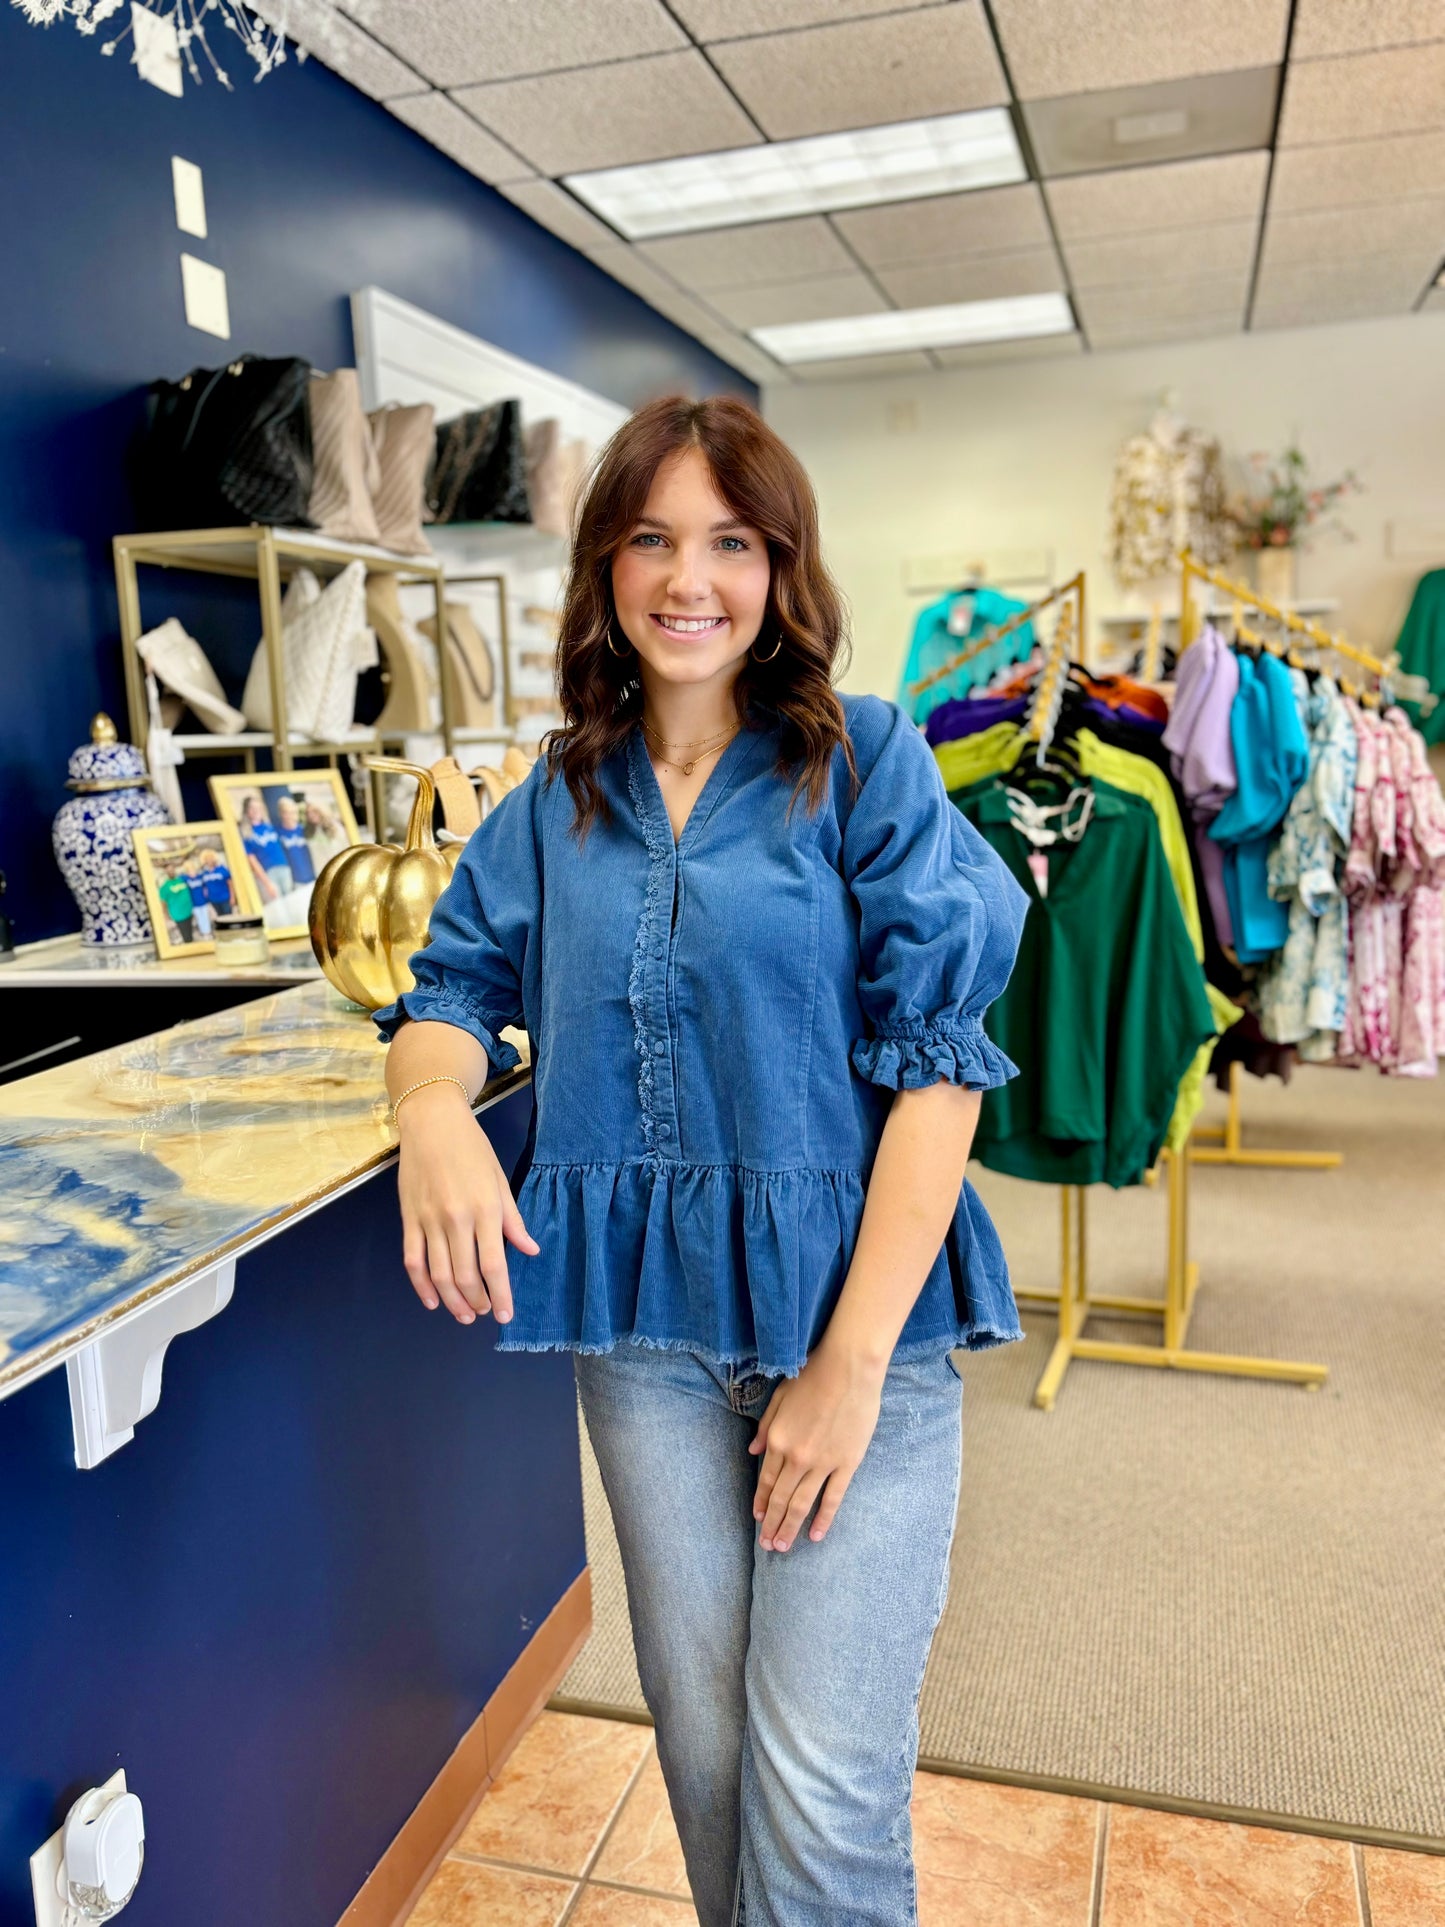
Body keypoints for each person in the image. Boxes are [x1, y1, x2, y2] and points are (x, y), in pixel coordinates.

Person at [372, 395, 1028, 1926]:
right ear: (604, 563)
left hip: (858, 1327)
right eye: (654, 536)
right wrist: (432, 1111)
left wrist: (850, 1364)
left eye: (731, 541)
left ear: (780, 568)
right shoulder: (550, 802)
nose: (690, 577)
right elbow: (449, 995)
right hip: (646, 1351)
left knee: (825, 1783)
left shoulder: (863, 762)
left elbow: (941, 1065)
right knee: (716, 1762)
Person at [238, 792, 294, 928]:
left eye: (258, 807)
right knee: (278, 908)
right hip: (268, 874)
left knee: (291, 904)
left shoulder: (270, 827)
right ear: (247, 812)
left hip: (284, 868)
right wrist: (267, 883)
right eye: (252, 808)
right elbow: (253, 861)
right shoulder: (247, 834)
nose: (256, 811)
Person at [275, 795, 316, 891]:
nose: (289, 816)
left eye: (292, 812)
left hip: (313, 877)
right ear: (281, 813)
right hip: (295, 883)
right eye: (286, 812)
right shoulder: (277, 833)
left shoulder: (304, 830)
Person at [155, 859, 195, 945]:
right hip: (178, 914)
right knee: (186, 936)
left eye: (172, 869)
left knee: (190, 932)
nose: (171, 871)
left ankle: (192, 944)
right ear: (166, 872)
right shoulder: (164, 887)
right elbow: (163, 903)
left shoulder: (181, 880)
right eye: (169, 870)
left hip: (188, 911)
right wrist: (166, 916)